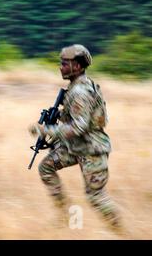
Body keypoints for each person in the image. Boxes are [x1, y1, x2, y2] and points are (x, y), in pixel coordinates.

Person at [29, 44, 123, 234]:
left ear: (78, 67)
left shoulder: (80, 93)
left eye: (65, 63)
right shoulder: (77, 87)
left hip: (91, 150)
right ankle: (64, 216)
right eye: (61, 63)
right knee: (46, 168)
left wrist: (47, 129)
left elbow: (79, 126)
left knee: (95, 196)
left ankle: (120, 233)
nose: (61, 67)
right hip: (75, 147)